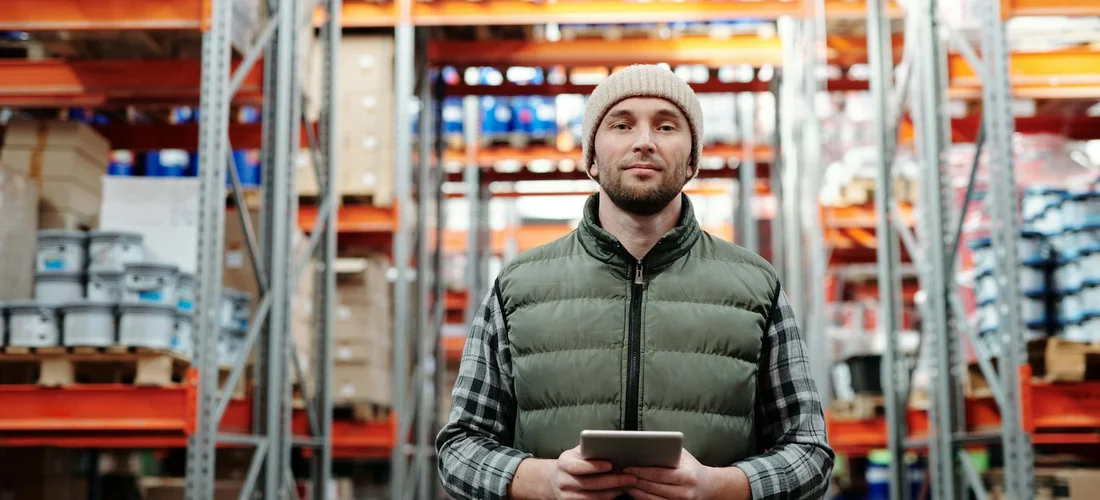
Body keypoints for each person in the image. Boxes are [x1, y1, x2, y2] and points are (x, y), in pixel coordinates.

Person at [436, 64, 834, 500]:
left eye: (666, 125)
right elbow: (459, 449)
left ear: (692, 160)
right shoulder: (518, 286)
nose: (644, 140)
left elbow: (809, 452)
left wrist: (717, 487)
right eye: (621, 124)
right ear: (591, 156)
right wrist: (543, 482)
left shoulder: (756, 286)